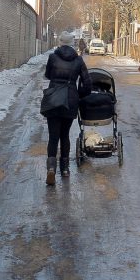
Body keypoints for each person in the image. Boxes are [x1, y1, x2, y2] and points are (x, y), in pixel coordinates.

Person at [40, 31, 92, 186]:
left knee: (53, 136)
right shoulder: (78, 60)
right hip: (70, 100)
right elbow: (87, 84)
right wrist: (78, 94)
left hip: (54, 98)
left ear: (60, 42)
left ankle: (51, 169)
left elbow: (48, 75)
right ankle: (65, 169)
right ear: (72, 43)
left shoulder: (53, 57)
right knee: (65, 135)